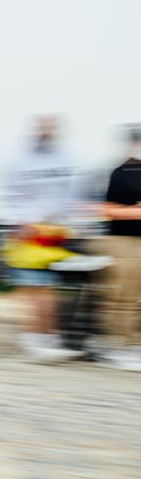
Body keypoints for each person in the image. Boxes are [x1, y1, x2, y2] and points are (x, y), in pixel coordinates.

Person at [0, 115, 81, 362]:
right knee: (36, 289)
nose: (47, 131)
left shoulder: (66, 159)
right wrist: (17, 223)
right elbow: (7, 194)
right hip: (28, 233)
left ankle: (49, 337)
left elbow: (71, 194)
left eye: (51, 127)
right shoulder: (18, 161)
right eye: (43, 127)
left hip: (55, 232)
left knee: (47, 290)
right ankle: (36, 338)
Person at [95, 124, 141, 371]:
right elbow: (106, 209)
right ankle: (125, 347)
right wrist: (136, 212)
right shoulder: (121, 172)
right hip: (125, 241)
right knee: (126, 298)